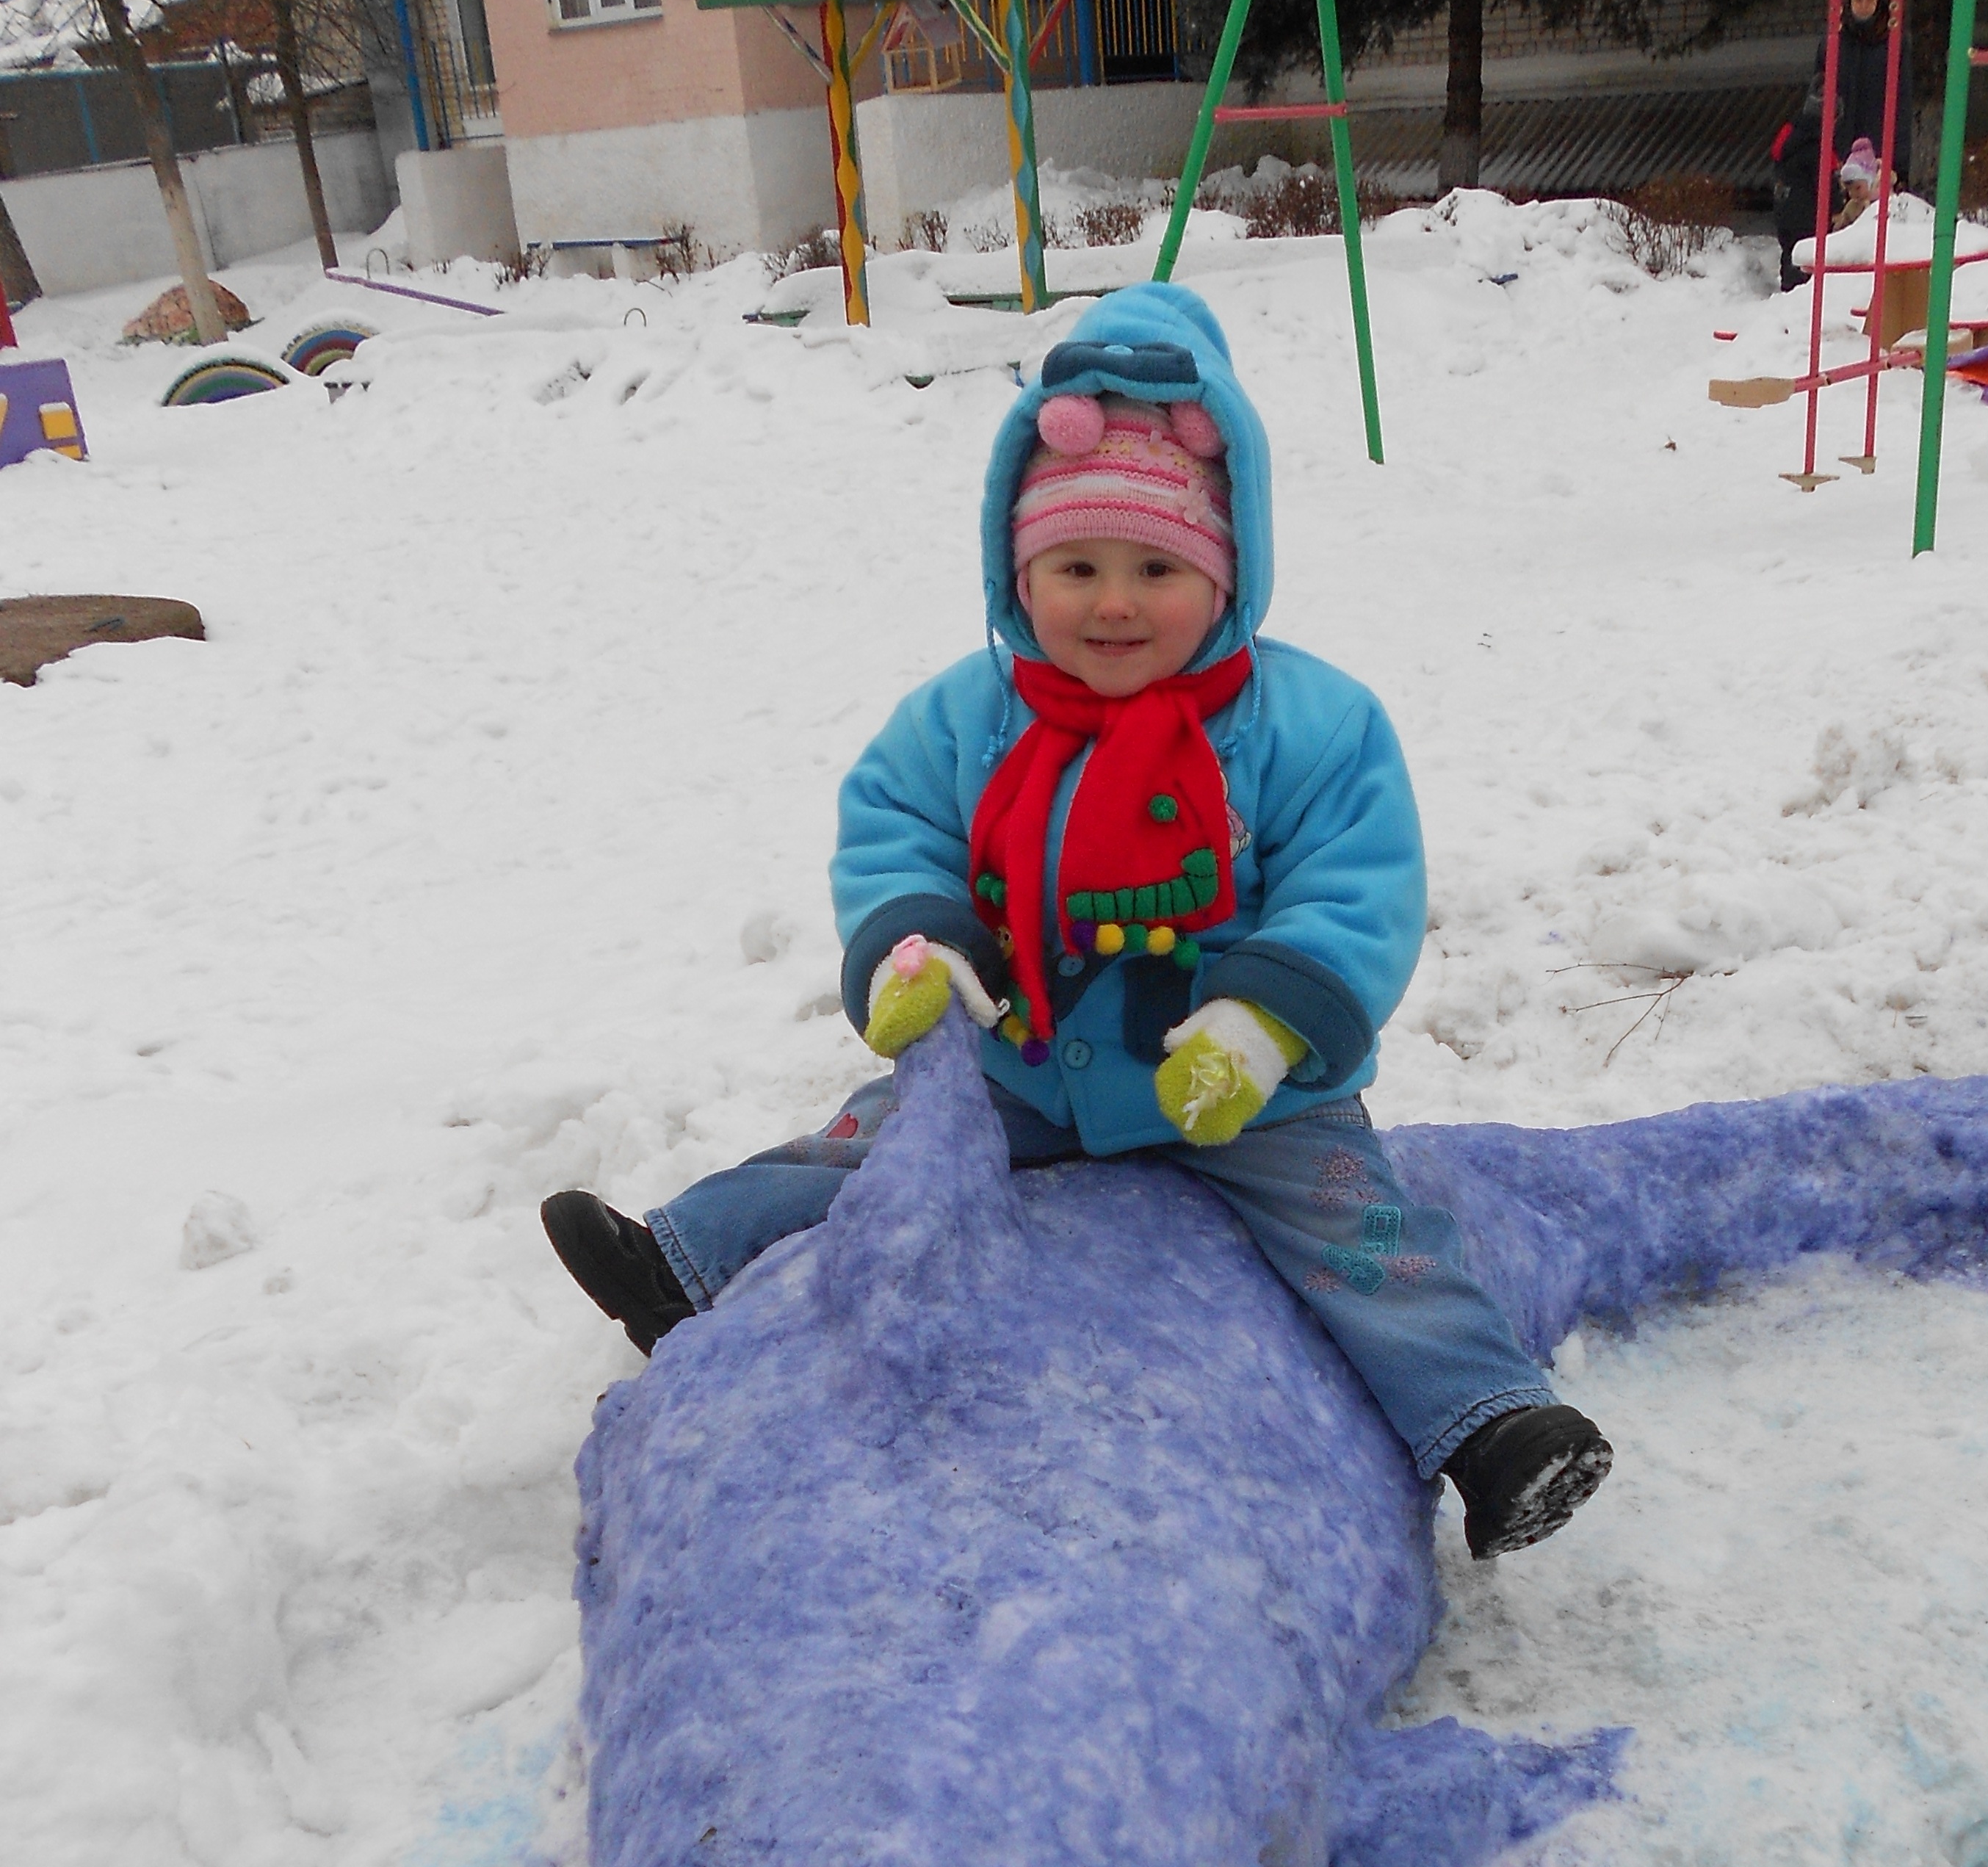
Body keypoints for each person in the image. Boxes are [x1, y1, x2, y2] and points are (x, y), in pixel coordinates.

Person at [540, 286, 1611, 1559]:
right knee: (868, 1145)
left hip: (1250, 1091)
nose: (1114, 605)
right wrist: (925, 942)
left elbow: (1357, 884)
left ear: (1227, 571)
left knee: (1362, 1231)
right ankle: (678, 1264)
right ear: (1019, 573)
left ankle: (1491, 1424)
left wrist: (1267, 1025)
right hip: (1029, 1060)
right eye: (1076, 569)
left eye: (1158, 570)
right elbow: (896, 824)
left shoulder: (1313, 725)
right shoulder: (970, 717)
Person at [1773, 0, 1914, 292]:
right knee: (1834, 216)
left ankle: (1864, 289)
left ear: (1879, 3)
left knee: (1871, 219)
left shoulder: (1893, 43)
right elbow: (1818, 92)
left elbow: (1902, 101)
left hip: (1876, 144)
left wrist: (1899, 161)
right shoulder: (1835, 41)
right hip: (1838, 142)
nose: (1862, 6)